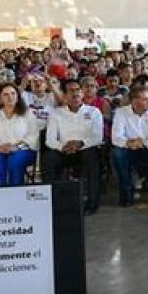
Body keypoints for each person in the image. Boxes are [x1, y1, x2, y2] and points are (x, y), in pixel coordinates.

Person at [45, 79, 104, 214]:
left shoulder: (94, 112)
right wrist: (63, 147)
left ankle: (92, 203)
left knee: (92, 157)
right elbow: (50, 139)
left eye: (78, 90)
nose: (76, 93)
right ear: (65, 95)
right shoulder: (56, 113)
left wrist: (80, 144)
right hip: (63, 152)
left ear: (82, 93)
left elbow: (97, 137)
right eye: (71, 91)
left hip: (85, 150)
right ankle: (53, 202)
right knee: (49, 158)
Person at [111, 85, 148, 206]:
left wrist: (146, 142)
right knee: (117, 153)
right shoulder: (121, 113)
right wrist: (128, 143)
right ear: (134, 102)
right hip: (130, 149)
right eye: (144, 99)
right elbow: (116, 137)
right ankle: (126, 191)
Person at [0, 83, 39, 186]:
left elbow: (33, 136)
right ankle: (0, 192)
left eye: (13, 93)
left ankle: (16, 192)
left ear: (17, 97)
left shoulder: (28, 113)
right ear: (0, 98)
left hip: (23, 150)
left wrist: (16, 147)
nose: (10, 97)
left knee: (15, 161)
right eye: (5, 95)